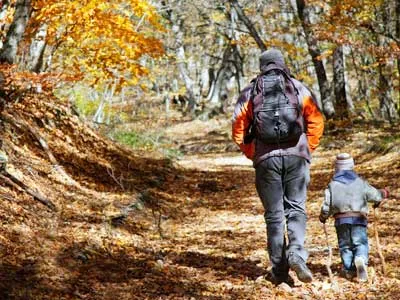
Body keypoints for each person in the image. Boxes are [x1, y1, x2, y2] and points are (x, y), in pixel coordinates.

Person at [231, 48, 324, 285]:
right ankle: (297, 253)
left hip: (266, 160)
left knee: (274, 215)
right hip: (297, 157)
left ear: (262, 66)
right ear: (283, 64)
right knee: (297, 208)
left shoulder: (251, 91)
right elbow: (316, 120)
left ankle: (280, 271)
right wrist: (306, 149)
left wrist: (252, 152)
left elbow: (238, 125)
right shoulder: (298, 87)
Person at [319, 153, 389, 282]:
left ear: (337, 168)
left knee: (345, 245)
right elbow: (375, 195)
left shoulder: (332, 185)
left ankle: (348, 270)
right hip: (359, 218)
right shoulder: (360, 182)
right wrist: (383, 193)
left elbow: (327, 205)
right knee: (359, 242)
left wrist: (323, 217)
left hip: (341, 220)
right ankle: (361, 259)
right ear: (352, 166)